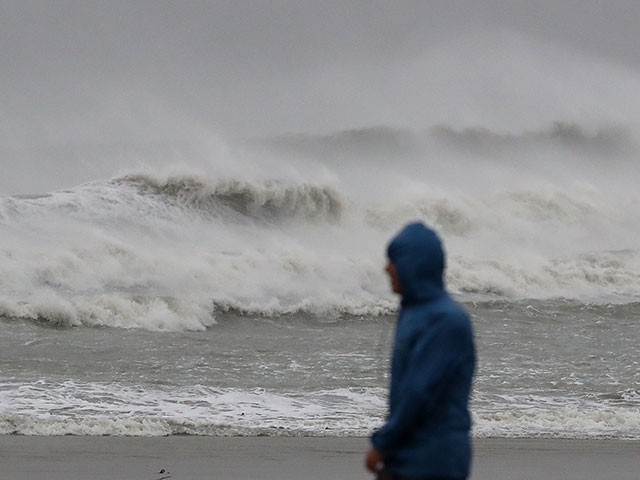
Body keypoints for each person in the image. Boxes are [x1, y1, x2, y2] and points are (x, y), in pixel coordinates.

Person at [365, 222, 476, 480]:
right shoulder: (414, 313)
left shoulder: (445, 320)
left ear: (413, 265)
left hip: (435, 461)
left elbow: (420, 392)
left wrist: (383, 442)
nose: (387, 268)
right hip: (406, 455)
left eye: (394, 261)